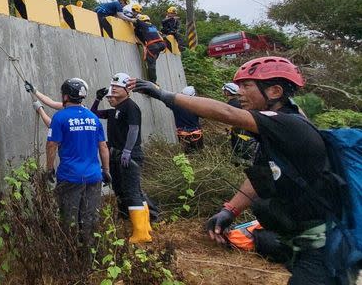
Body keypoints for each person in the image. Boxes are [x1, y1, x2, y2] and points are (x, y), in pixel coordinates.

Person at [131, 56, 344, 284]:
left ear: (274, 91)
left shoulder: (289, 125)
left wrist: (164, 95)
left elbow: (227, 113)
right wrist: (230, 210)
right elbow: (262, 177)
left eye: (247, 86)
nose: (239, 92)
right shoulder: (276, 132)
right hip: (301, 242)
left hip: (322, 246)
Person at [31, 78, 111, 245]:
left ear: (66, 96)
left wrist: (49, 168)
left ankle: (71, 255)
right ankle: (90, 255)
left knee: (70, 219)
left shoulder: (60, 117)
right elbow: (103, 146)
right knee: (90, 218)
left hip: (70, 177)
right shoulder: (92, 118)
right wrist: (106, 170)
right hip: (94, 177)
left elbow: (52, 144)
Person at [90, 73, 152, 243]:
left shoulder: (130, 107)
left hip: (129, 156)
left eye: (117, 86)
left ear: (127, 89)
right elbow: (93, 114)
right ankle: (135, 224)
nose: (114, 89)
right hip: (116, 155)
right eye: (112, 87)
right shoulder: (114, 110)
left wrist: (127, 150)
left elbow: (133, 130)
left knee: (132, 191)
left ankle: (141, 233)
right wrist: (97, 98)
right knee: (121, 189)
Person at [133, 14, 168, 83]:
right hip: (161, 44)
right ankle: (153, 79)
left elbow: (136, 21)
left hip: (153, 46)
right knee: (153, 62)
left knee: (151, 65)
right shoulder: (152, 26)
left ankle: (153, 81)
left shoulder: (142, 24)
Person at [170, 86, 204, 152]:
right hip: (196, 133)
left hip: (183, 134)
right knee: (198, 153)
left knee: (186, 154)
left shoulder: (175, 105)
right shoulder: (197, 106)